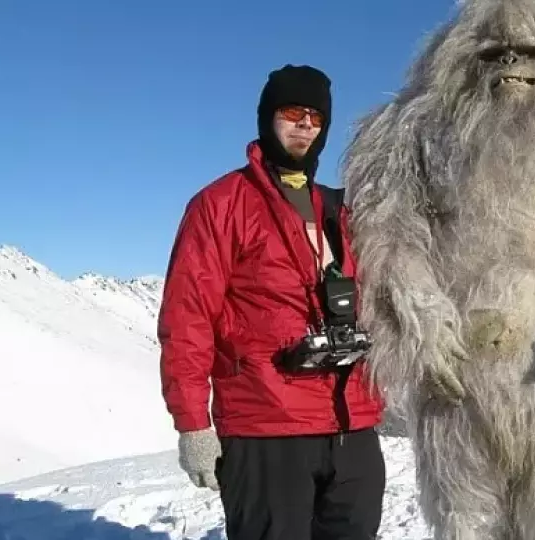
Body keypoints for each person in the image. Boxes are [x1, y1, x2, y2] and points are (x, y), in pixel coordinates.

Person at [157, 64, 386, 540]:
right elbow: (187, 318)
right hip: (265, 428)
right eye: (291, 111)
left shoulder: (345, 211)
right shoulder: (220, 204)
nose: (304, 123)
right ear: (266, 117)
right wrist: (192, 423)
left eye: (315, 116)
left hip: (352, 426)